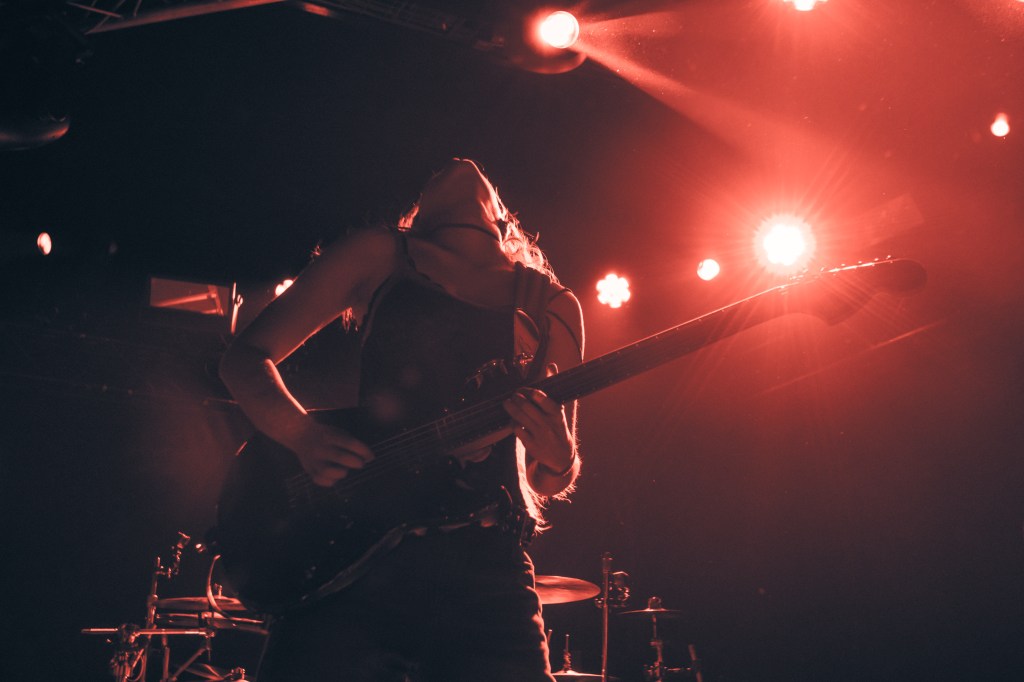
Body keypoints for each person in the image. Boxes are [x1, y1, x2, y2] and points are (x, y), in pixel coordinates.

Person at [218, 158, 585, 681]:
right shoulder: (382, 254)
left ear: (503, 222)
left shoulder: (552, 303)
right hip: (352, 562)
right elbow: (244, 357)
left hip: (487, 573)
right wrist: (300, 433)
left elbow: (549, 476)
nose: (462, 163)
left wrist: (559, 453)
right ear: (418, 215)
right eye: (437, 174)